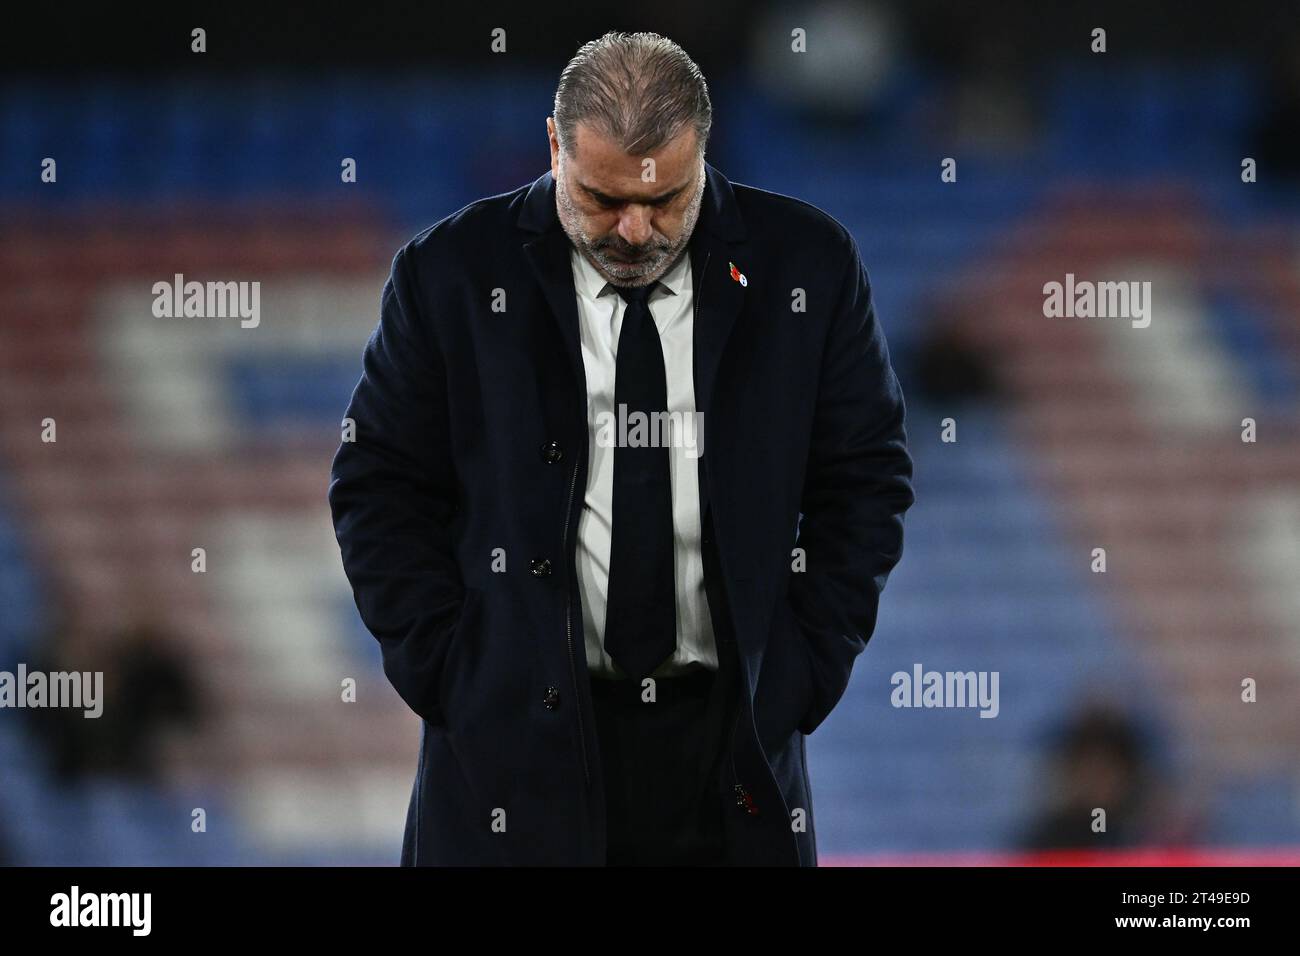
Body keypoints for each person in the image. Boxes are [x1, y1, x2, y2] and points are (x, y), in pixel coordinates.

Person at [328, 31, 914, 866]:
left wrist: (798, 671)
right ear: (554, 148)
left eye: (669, 198)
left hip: (729, 756)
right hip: (510, 759)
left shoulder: (807, 267)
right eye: (603, 199)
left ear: (705, 155)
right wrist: (455, 673)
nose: (636, 231)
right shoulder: (451, 274)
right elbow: (378, 486)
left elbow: (865, 478)